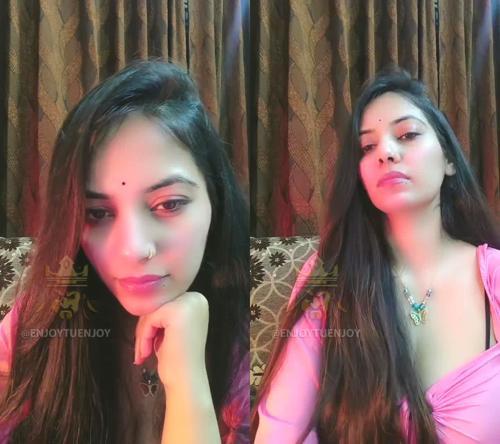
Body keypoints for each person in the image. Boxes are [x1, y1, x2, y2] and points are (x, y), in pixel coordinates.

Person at [0, 60, 249, 443]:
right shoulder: (43, 319)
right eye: (97, 213)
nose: (134, 249)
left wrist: (188, 381)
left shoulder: (245, 341)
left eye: (169, 204)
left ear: (215, 201)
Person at [252, 68, 500, 443]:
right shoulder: (332, 276)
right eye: (367, 148)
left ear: (449, 159)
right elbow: (281, 431)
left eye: (408, 135)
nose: (386, 152)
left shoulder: (492, 275)